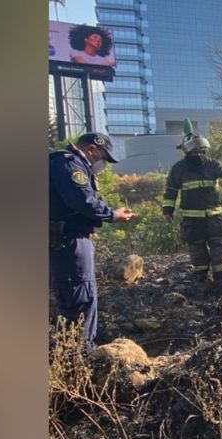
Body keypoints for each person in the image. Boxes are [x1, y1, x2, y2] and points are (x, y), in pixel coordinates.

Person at [49, 132, 134, 352]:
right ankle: (79, 356)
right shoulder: (69, 163)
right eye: (102, 157)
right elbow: (83, 200)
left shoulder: (65, 162)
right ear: (92, 149)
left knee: (77, 295)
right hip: (69, 241)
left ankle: (73, 352)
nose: (101, 163)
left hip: (68, 239)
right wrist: (113, 215)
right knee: (80, 297)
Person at [161, 133, 222, 294]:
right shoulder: (179, 169)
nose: (200, 154)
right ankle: (201, 279)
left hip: (214, 216)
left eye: (202, 151)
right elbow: (170, 191)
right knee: (197, 249)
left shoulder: (212, 165)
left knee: (219, 246)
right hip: (192, 218)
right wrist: (168, 210)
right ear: (187, 152)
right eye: (196, 151)